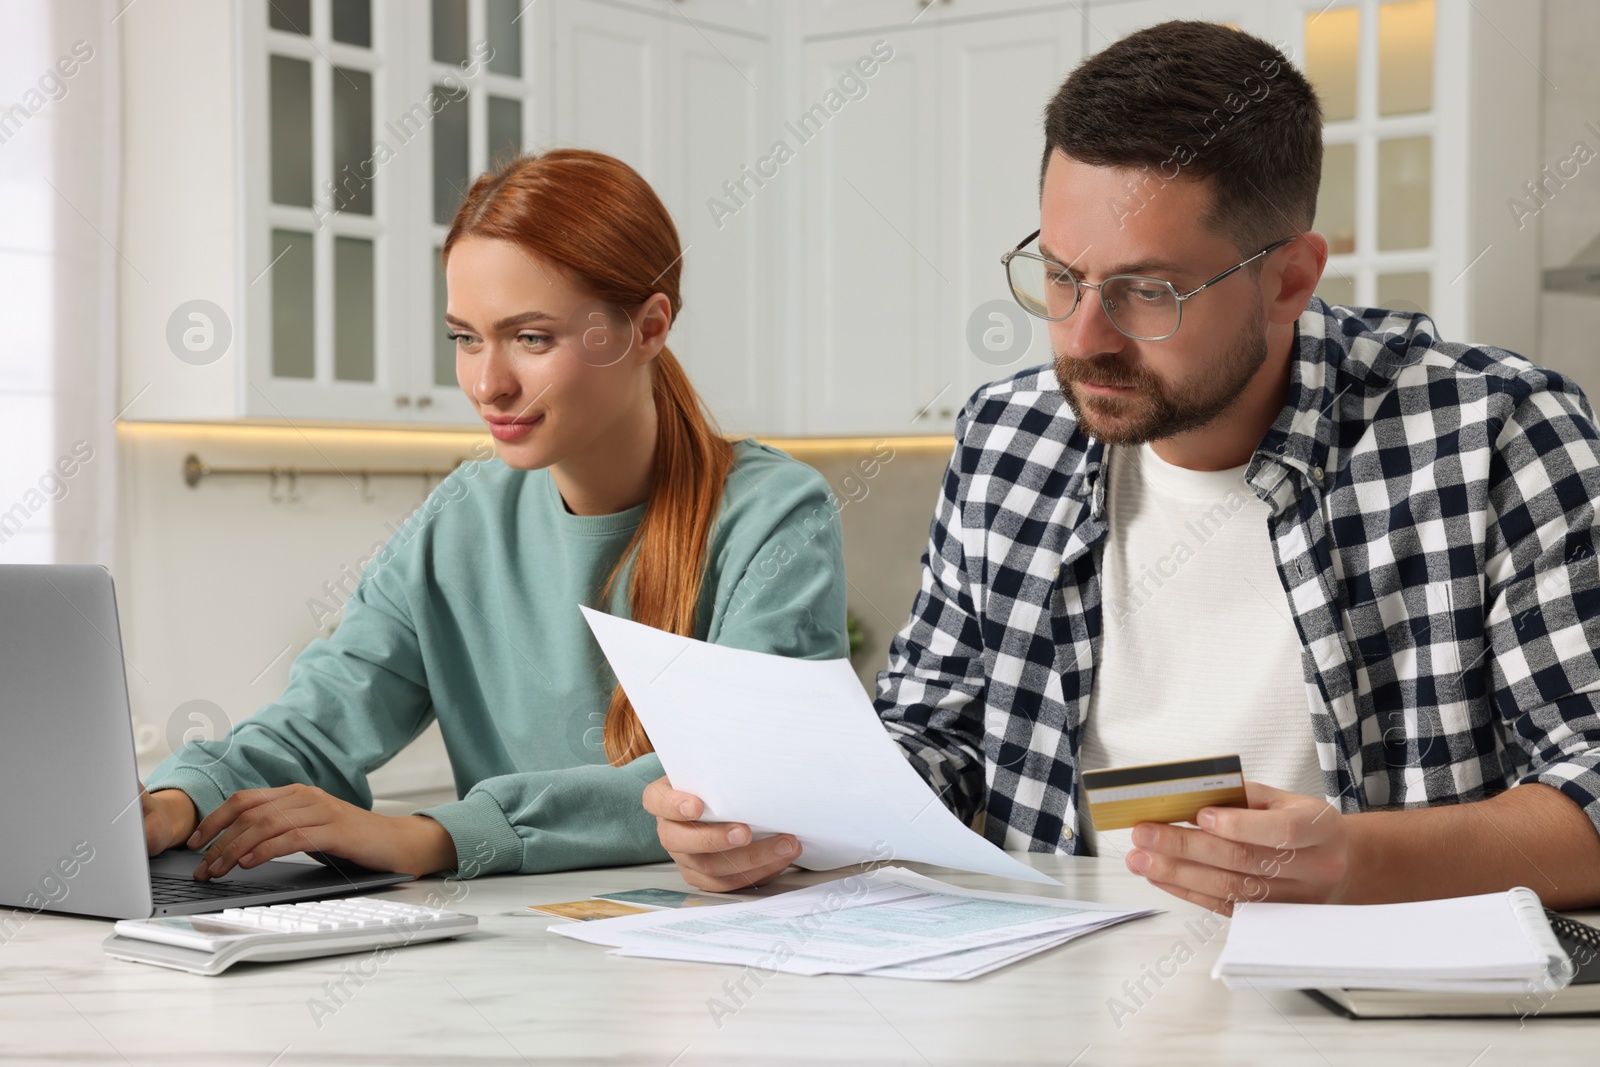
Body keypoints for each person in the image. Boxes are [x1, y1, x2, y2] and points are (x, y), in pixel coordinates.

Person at [646, 20, 1600, 912]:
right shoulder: (1009, 435)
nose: (1082, 337)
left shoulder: (1492, 435)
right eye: (1060, 276)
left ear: (1291, 279)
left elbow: (1589, 787)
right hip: (1049, 989)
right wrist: (778, 824)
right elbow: (936, 737)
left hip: (1357, 1005)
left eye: (1149, 289)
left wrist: (1360, 857)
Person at [141, 148, 848, 880]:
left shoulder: (773, 514)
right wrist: (178, 800)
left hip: (700, 953)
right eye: (465, 337)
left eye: (531, 337)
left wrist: (434, 837)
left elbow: (734, 777)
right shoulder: (460, 519)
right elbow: (322, 718)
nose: (487, 383)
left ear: (649, 327)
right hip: (504, 956)